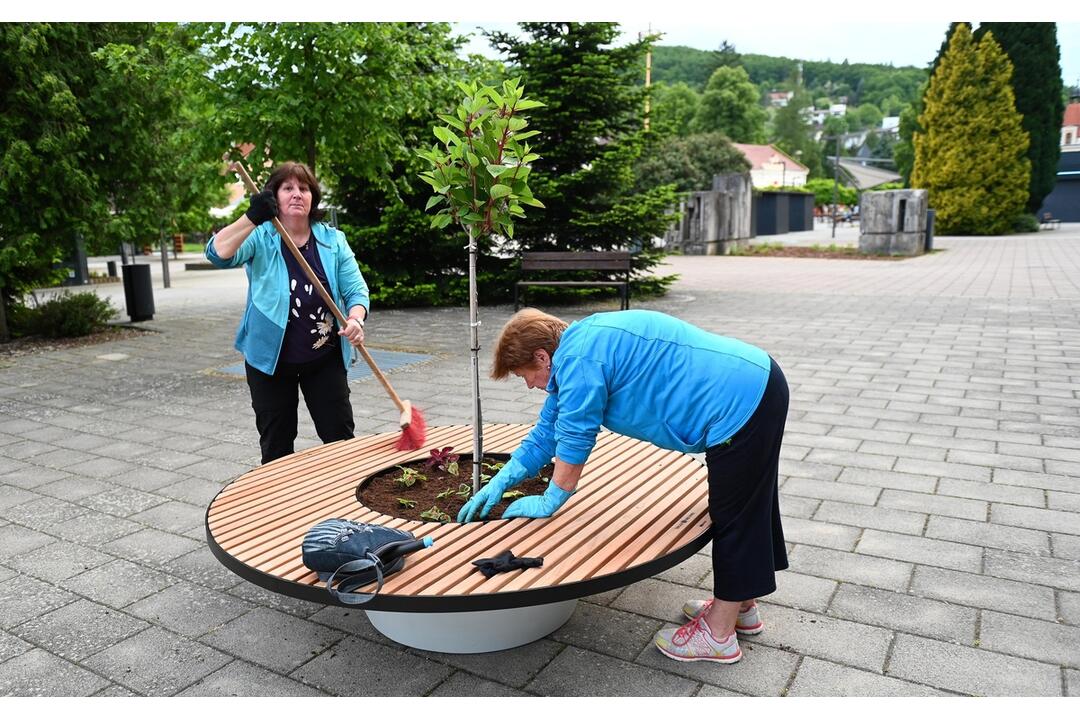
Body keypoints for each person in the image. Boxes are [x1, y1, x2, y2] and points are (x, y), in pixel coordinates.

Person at [458, 308, 789, 665]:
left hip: (739, 402)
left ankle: (719, 635)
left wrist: (552, 498)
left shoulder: (580, 361)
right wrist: (501, 480)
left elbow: (576, 435)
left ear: (542, 357)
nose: (529, 385)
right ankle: (740, 607)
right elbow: (546, 433)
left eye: (525, 375)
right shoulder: (580, 349)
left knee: (734, 513)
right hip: (754, 383)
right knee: (747, 502)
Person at [205, 161, 370, 464]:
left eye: (304, 188)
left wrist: (356, 318)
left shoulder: (333, 241)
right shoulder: (261, 236)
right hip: (270, 362)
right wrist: (251, 217)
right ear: (274, 196)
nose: (297, 194)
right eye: (288, 188)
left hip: (324, 357)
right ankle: (277, 495)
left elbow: (356, 291)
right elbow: (217, 254)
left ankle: (345, 492)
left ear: (313, 197)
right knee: (276, 447)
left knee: (341, 441)